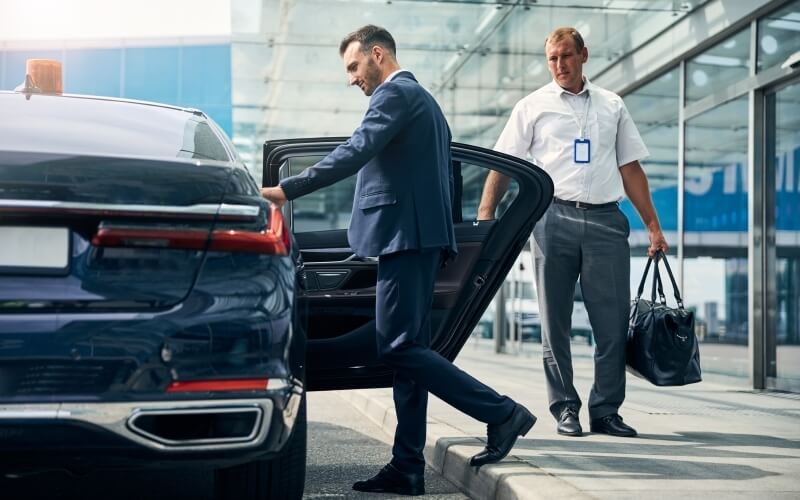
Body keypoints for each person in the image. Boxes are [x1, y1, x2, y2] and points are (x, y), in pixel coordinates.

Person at [260, 25, 535, 496]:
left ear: (378, 54)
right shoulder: (424, 103)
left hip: (405, 240)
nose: (352, 79)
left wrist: (286, 189)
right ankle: (407, 465)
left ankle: (502, 412)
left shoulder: (395, 95)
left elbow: (354, 151)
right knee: (409, 356)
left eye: (353, 66)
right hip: (414, 238)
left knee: (399, 348)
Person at [478, 27, 668, 439]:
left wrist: (652, 224)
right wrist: (486, 215)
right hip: (552, 219)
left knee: (612, 324)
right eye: (552, 59)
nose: (559, 65)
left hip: (606, 221)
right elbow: (504, 163)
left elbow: (630, 168)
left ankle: (605, 411)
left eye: (566, 56)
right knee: (555, 323)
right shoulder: (532, 106)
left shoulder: (612, 105)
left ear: (583, 55)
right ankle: (565, 407)